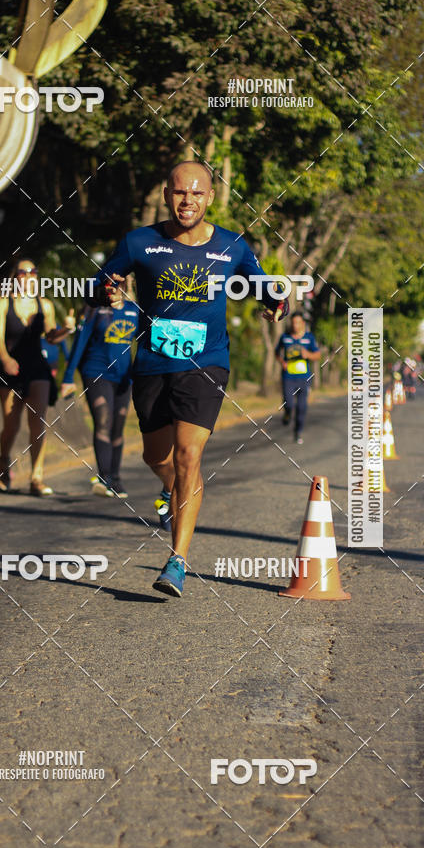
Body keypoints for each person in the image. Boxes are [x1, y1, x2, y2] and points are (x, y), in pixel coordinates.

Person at [86, 161, 287, 597]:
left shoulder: (233, 245)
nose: (187, 201)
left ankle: (176, 560)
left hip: (207, 362)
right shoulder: (140, 241)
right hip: (154, 364)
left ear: (210, 197)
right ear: (166, 194)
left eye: (196, 194)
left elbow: (262, 284)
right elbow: (100, 281)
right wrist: (105, 287)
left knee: (187, 456)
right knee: (157, 459)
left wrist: (276, 300)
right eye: (180, 193)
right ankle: (172, 493)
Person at [0, 259, 74, 496]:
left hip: (37, 367)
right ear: (15, 276)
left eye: (33, 272)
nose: (29, 275)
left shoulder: (45, 305)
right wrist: (6, 359)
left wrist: (67, 330)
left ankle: (36, 477)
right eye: (23, 272)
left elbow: (51, 336)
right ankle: (3, 461)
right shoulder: (2, 303)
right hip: (11, 367)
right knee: (11, 425)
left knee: (37, 424)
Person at [61, 279, 139, 498]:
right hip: (96, 372)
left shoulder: (134, 310)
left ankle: (116, 478)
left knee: (118, 426)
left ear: (128, 283)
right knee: (103, 421)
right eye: (112, 282)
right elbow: (80, 342)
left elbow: (144, 342)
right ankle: (104, 478)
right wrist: (68, 377)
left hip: (124, 376)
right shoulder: (95, 308)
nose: (116, 285)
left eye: (122, 281)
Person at [275, 312, 320, 445]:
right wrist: (282, 362)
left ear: (303, 324)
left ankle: (298, 431)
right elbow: (277, 352)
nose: (295, 325)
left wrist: (308, 354)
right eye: (293, 322)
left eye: (298, 323)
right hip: (288, 377)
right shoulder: (285, 337)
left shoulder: (309, 338)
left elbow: (317, 355)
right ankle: (287, 414)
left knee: (302, 407)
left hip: (304, 378)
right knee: (289, 403)